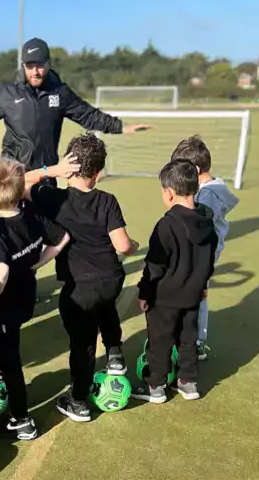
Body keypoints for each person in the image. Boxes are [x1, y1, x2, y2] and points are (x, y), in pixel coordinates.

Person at [0, 38, 148, 185]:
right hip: (14, 174)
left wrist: (121, 127)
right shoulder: (8, 94)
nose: (35, 71)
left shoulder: (60, 92)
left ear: (48, 64)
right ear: (23, 65)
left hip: (48, 173)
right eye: (30, 66)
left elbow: (89, 115)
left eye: (40, 65)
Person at [27, 133, 139, 422]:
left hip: (78, 288)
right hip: (110, 279)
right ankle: (114, 353)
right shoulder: (107, 201)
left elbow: (16, 183)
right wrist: (134, 246)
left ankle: (78, 401)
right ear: (98, 173)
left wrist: (51, 171)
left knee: (83, 344)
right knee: (106, 307)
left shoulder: (53, 198)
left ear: (68, 166)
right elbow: (123, 246)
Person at [0, 157, 70, 440]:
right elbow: (61, 238)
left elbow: (1, 270)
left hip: (5, 305)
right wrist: (38, 263)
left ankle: (21, 421)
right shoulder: (32, 213)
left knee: (11, 362)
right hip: (27, 295)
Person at [132, 160, 217, 404]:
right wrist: (202, 286)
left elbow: (155, 266)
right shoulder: (207, 223)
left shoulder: (166, 225)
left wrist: (144, 293)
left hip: (165, 298)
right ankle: (188, 383)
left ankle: (156, 386)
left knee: (160, 342)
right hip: (192, 296)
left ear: (169, 193)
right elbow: (208, 260)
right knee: (187, 338)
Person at [170, 135, 239, 361]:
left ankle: (197, 342)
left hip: (200, 255)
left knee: (196, 296)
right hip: (200, 253)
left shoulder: (208, 195)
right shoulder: (208, 189)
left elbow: (197, 230)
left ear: (196, 170)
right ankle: (190, 337)